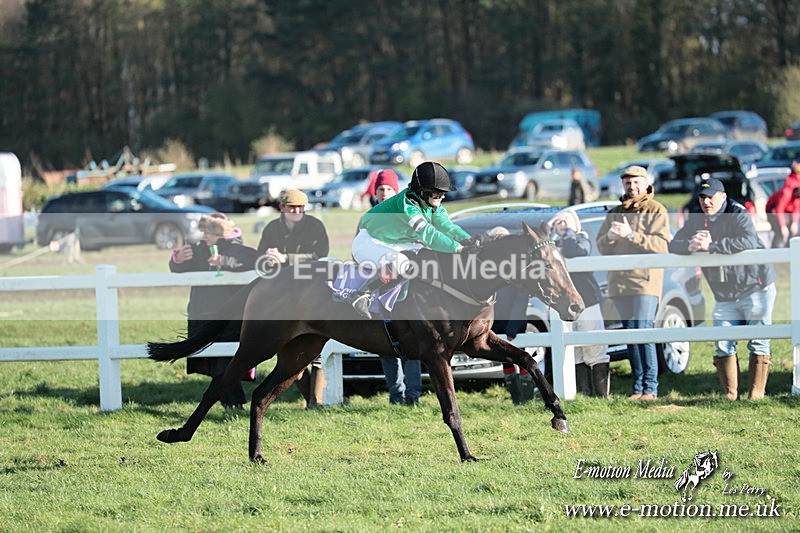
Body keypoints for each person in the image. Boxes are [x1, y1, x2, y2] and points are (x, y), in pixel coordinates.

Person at [669, 178, 777, 400]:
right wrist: (690, 245)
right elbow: (673, 244)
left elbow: (748, 241)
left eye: (711, 197)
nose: (706, 202)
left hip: (755, 286)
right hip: (724, 293)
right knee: (723, 341)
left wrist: (711, 246)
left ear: (723, 197)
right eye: (702, 197)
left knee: (758, 340)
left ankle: (756, 396)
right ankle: (730, 395)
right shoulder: (696, 218)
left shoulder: (738, 212)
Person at [348, 161, 473, 318]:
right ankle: (362, 294)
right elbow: (429, 234)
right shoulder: (407, 206)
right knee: (401, 262)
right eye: (436, 193)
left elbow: (448, 228)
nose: (441, 197)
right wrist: (459, 248)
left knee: (425, 254)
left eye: (443, 193)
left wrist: (470, 241)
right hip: (368, 242)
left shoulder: (434, 206)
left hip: (391, 242)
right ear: (422, 192)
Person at [170, 212, 259, 409]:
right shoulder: (199, 250)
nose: (204, 237)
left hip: (229, 317)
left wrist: (224, 261)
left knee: (223, 363)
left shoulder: (239, 249)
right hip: (202, 314)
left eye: (208, 233)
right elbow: (177, 268)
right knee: (214, 363)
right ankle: (229, 403)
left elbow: (251, 261)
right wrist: (178, 259)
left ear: (221, 233)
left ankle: (232, 404)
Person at [597, 165, 671, 401]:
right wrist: (609, 238)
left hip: (645, 282)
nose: (632, 187)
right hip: (619, 283)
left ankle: (651, 388)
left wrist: (631, 235)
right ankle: (637, 388)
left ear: (646, 183)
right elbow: (600, 245)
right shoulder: (615, 212)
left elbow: (662, 245)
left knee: (643, 330)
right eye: (628, 183)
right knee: (630, 335)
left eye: (636, 182)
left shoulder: (656, 210)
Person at [257, 189, 330, 407]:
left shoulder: (315, 226)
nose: (297, 211)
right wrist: (269, 259)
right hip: (283, 294)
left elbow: (320, 255)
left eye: (300, 208)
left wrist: (286, 258)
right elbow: (261, 256)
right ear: (282, 208)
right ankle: (311, 399)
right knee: (288, 351)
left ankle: (316, 402)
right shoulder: (271, 228)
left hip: (311, 291)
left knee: (316, 350)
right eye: (292, 208)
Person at [367, 169, 423, 405]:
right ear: (375, 192)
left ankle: (413, 394)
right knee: (385, 343)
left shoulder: (405, 215)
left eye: (389, 189)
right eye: (381, 189)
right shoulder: (369, 217)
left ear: (396, 192)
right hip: (379, 284)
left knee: (411, 340)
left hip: (406, 286)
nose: (384, 193)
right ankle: (395, 394)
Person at [548, 211, 609, 397]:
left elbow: (574, 251)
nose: (563, 224)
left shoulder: (582, 239)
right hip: (564, 305)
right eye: (559, 222)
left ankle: (602, 397)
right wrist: (550, 227)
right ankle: (583, 395)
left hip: (587, 301)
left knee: (595, 347)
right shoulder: (552, 245)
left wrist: (568, 232)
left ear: (576, 225)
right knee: (574, 352)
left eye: (567, 222)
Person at [487, 226, 535, 405]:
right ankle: (516, 399)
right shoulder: (488, 267)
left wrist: (512, 328)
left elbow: (521, 300)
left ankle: (527, 398)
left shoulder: (517, 267)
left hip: (514, 324)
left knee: (522, 358)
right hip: (496, 324)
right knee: (506, 361)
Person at [765, 159, 800, 248]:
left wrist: (794, 223)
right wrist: (783, 226)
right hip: (773, 211)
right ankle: (776, 252)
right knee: (780, 233)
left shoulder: (797, 191)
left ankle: (791, 250)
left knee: (794, 232)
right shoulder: (787, 192)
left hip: (786, 212)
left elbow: (797, 207)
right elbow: (779, 209)